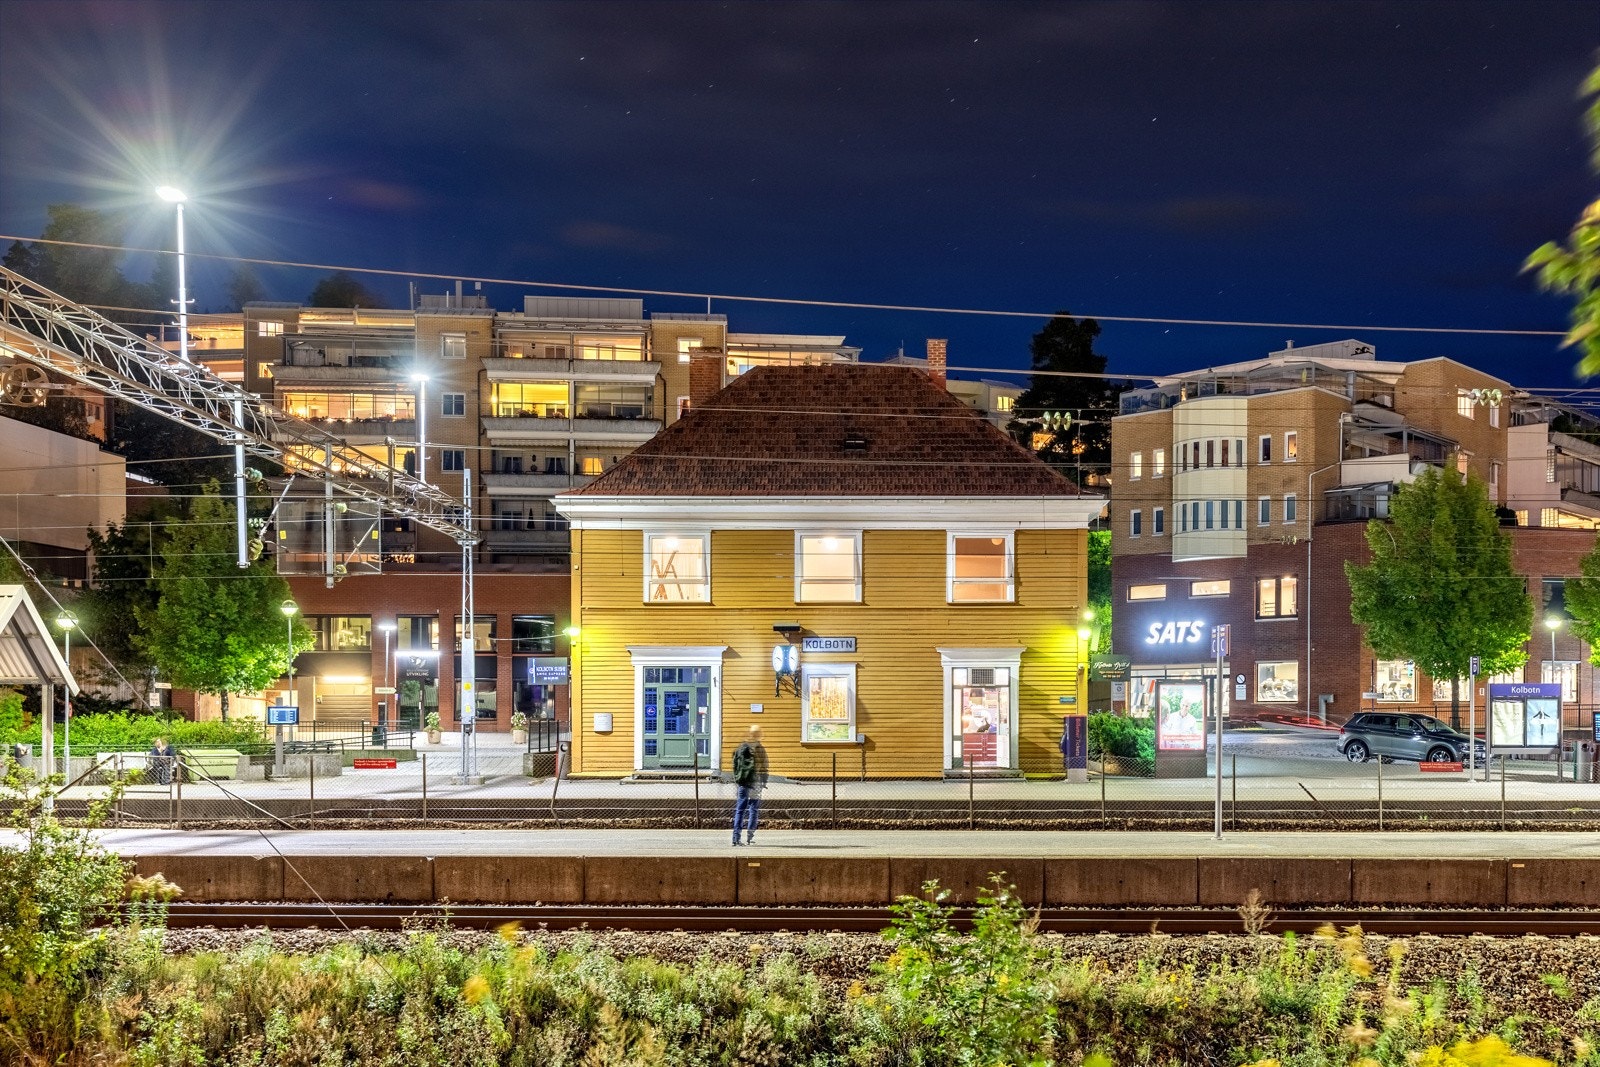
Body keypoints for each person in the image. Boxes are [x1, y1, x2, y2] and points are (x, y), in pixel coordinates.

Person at [730, 725, 768, 846]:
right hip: (755, 783)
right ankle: (750, 838)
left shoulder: (740, 748)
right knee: (753, 810)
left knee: (740, 810)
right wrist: (763, 782)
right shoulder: (759, 748)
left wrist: (737, 780)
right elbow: (764, 766)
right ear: (759, 735)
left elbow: (735, 765)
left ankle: (736, 838)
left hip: (742, 782)